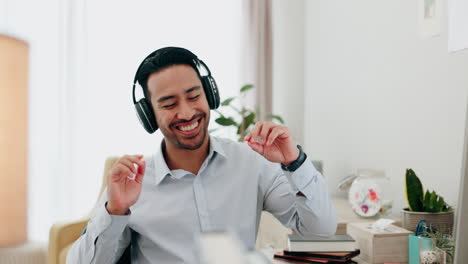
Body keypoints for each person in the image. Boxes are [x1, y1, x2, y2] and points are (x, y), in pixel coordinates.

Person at [67, 47, 337, 264]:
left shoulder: (252, 162)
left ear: (209, 95)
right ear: (149, 116)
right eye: (169, 104)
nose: (186, 113)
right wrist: (115, 211)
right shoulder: (133, 182)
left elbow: (320, 230)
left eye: (194, 96)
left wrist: (294, 162)